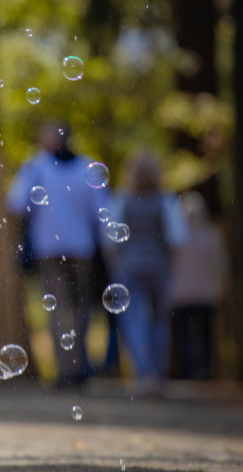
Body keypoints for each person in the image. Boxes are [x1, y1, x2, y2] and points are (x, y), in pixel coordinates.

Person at [6, 122, 108, 388]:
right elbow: (102, 213)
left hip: (50, 250)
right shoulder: (88, 167)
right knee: (76, 309)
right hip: (80, 249)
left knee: (60, 310)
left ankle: (68, 370)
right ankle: (77, 368)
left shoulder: (36, 167)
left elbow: (16, 204)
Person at [105, 150, 187, 395]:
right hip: (160, 268)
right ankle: (158, 376)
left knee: (135, 323)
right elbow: (177, 238)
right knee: (159, 323)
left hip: (129, 269)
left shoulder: (122, 200)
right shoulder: (166, 200)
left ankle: (144, 376)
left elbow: (111, 241)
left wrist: (116, 263)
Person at [170, 191, 227, 379]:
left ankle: (187, 372)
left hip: (181, 294)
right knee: (206, 334)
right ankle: (205, 370)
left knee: (185, 335)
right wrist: (220, 288)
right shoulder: (212, 235)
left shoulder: (176, 238)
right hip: (207, 294)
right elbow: (220, 266)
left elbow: (170, 267)